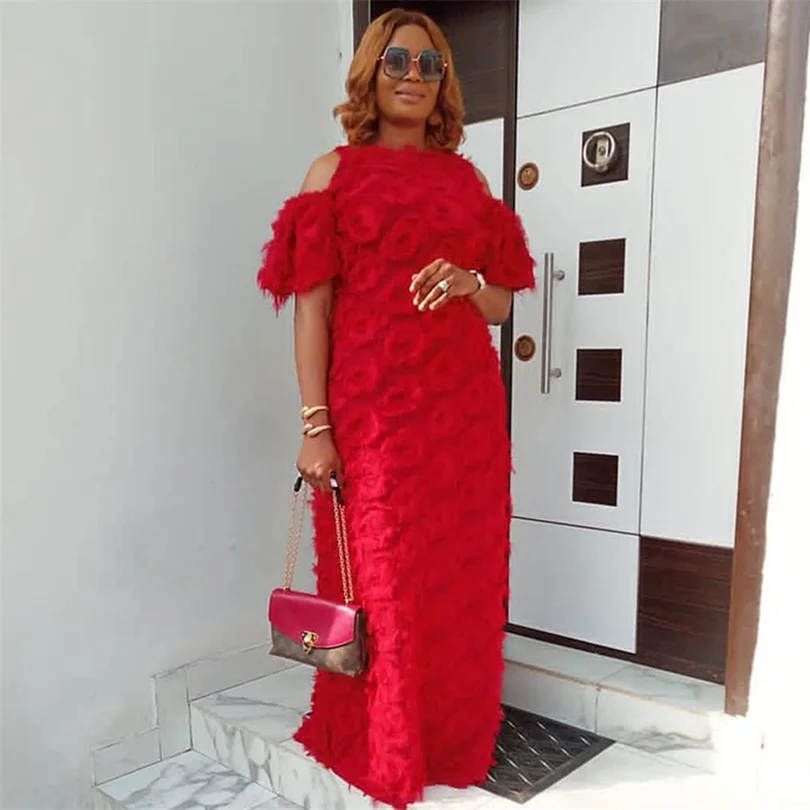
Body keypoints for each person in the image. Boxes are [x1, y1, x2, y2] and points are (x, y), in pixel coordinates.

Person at [257, 8, 535, 809]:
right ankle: (387, 744)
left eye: (430, 65)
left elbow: (501, 302)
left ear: (444, 82)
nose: (414, 76)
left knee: (459, 584)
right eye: (398, 62)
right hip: (373, 423)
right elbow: (312, 310)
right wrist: (316, 426)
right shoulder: (332, 174)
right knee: (381, 584)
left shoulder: (468, 183)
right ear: (370, 73)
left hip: (464, 422)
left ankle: (448, 738)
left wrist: (469, 282)